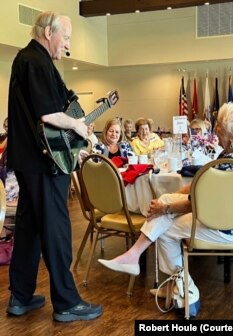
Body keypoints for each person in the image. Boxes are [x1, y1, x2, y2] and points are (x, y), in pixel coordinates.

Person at [6, 11, 102, 322]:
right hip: (44, 163)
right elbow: (49, 115)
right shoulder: (36, 60)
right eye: (67, 38)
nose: (68, 46)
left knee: (29, 229)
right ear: (49, 32)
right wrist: (77, 126)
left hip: (27, 160)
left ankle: (20, 297)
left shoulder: (27, 60)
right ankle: (66, 301)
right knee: (58, 230)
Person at [98, 101, 233, 298]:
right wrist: (168, 201)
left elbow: (198, 204)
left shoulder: (229, 165)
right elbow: (199, 187)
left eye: (219, 128)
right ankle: (140, 261)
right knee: (165, 205)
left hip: (227, 228)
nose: (215, 131)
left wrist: (165, 208)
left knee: (164, 229)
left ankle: (183, 289)